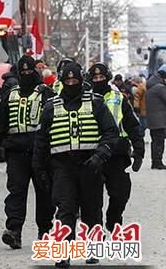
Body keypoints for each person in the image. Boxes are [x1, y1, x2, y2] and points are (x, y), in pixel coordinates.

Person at [33, 62, 119, 268]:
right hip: (62, 166)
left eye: (75, 80)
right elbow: (41, 141)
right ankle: (64, 252)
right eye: (68, 80)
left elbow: (111, 132)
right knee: (65, 209)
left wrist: (100, 155)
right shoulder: (51, 106)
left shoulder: (96, 103)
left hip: (91, 164)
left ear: (81, 80)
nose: (71, 83)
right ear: (62, 81)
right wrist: (39, 170)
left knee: (92, 209)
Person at [0, 55, 55, 249]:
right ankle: (14, 231)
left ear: (35, 71)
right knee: (16, 192)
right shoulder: (11, 95)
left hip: (41, 152)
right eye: (23, 71)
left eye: (29, 70)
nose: (26, 74)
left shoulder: (45, 94)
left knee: (44, 192)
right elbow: (0, 124)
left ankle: (45, 231)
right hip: (16, 152)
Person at [86, 63, 145, 231]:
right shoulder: (84, 100)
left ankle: (113, 218)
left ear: (108, 77)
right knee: (93, 198)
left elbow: (132, 126)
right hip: (92, 153)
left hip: (116, 154)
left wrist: (139, 151)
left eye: (101, 77)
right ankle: (95, 231)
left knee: (120, 193)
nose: (98, 80)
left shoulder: (119, 98)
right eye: (95, 78)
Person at [145, 65, 166, 169]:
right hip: (159, 120)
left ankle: (155, 161)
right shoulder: (160, 87)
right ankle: (157, 162)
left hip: (154, 120)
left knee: (156, 141)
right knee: (159, 142)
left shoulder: (152, 85)